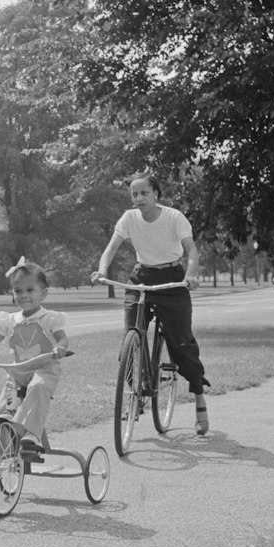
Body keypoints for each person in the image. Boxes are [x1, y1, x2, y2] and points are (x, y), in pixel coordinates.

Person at [90, 171, 211, 433]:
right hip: (142, 276)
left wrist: (190, 276)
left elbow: (192, 251)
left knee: (181, 343)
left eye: (144, 193)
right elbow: (110, 249)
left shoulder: (173, 217)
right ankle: (135, 393)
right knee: (130, 338)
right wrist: (101, 271)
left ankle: (199, 395)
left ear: (156, 193)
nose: (138, 198)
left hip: (172, 278)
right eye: (134, 194)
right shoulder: (129, 218)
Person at [0, 258, 69, 453]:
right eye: (18, 291)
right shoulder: (9, 320)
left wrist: (59, 348)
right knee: (1, 411)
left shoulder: (48, 319)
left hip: (44, 369)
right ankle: (1, 454)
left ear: (43, 293)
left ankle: (17, 430)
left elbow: (63, 339)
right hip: (18, 372)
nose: (23, 295)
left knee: (38, 387)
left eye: (30, 290)